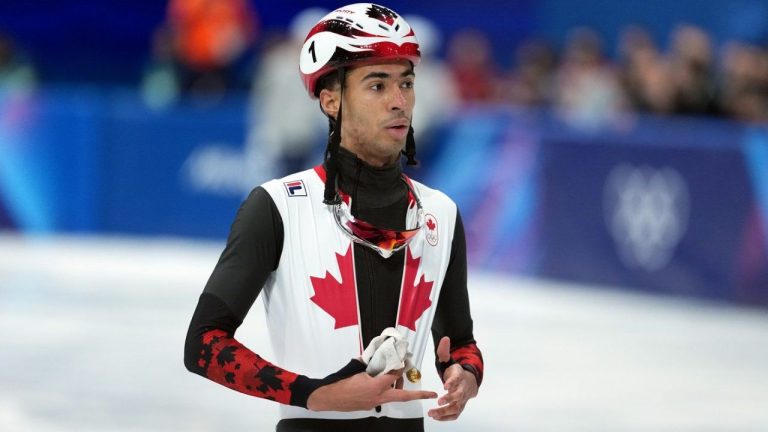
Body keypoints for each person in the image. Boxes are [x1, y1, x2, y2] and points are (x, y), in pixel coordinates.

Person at [184, 4, 483, 431]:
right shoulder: (277, 206)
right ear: (331, 100)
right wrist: (313, 393)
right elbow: (203, 345)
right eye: (377, 86)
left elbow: (462, 343)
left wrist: (464, 374)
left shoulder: (441, 214)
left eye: (407, 83)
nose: (400, 102)